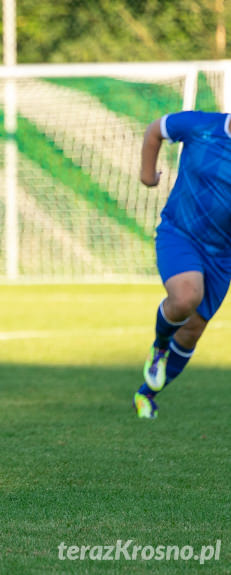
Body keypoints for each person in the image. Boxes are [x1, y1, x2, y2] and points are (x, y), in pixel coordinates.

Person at [133, 110, 231, 419]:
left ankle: (146, 394)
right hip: (181, 233)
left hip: (223, 255)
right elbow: (154, 130)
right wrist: (148, 176)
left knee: (192, 330)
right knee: (187, 295)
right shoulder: (201, 126)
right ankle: (160, 345)